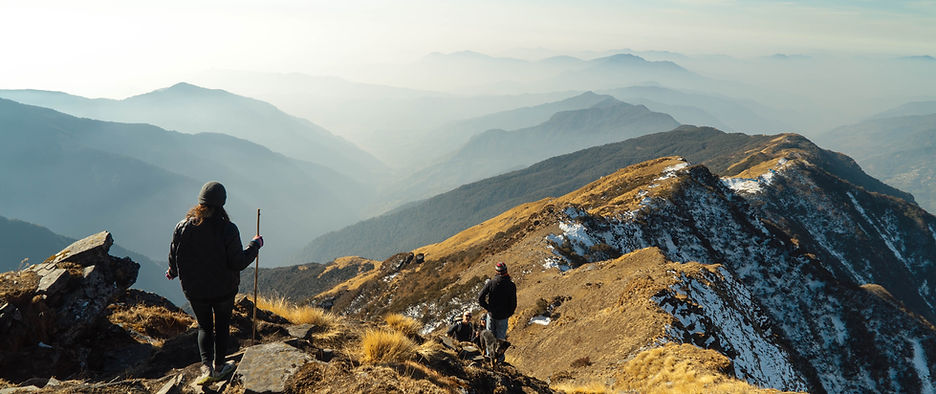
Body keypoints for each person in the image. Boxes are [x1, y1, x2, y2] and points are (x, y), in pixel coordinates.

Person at [167, 181, 263, 383]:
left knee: (204, 327)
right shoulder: (228, 229)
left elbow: (175, 254)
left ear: (200, 201)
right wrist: (255, 245)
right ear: (222, 203)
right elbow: (238, 262)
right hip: (223, 290)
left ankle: (206, 368)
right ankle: (220, 367)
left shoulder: (182, 227)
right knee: (221, 326)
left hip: (195, 290)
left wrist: (173, 271)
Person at [477, 262, 516, 342]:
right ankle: (499, 355)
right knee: (500, 341)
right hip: (503, 317)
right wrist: (509, 313)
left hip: (492, 315)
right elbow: (513, 303)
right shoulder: (511, 285)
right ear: (506, 271)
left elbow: (480, 297)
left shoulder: (491, 283)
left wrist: (488, 308)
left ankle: (489, 354)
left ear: (496, 271)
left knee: (490, 340)